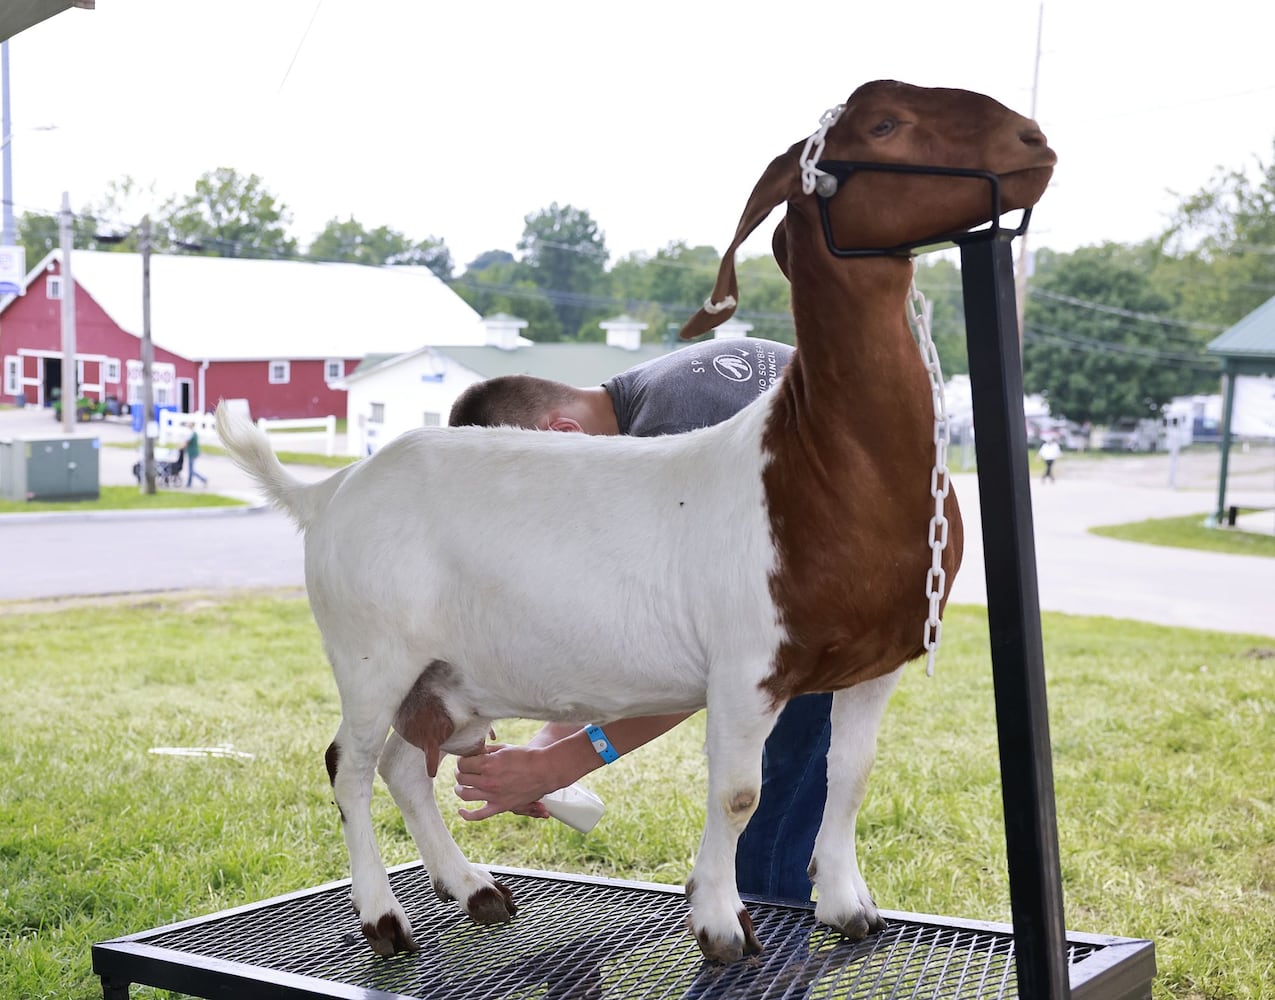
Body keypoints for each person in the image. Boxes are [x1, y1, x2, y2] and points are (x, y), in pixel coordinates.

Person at [448, 337, 834, 902]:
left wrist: (559, 762)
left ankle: (760, 953)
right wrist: (550, 739)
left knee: (775, 773)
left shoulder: (672, 439)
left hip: (857, 576)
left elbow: (709, 662)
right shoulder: (656, 396)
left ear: (561, 438)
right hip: (824, 555)